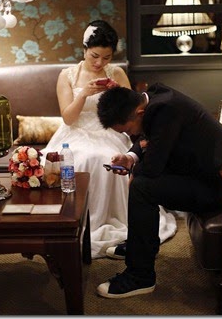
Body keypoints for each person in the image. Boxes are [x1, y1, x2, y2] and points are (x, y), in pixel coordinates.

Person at [95, 83, 222, 298]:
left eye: (128, 130)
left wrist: (133, 171)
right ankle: (142, 246)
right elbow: (148, 140)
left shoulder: (165, 110)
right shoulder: (153, 98)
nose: (132, 135)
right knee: (141, 182)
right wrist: (130, 157)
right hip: (202, 174)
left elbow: (152, 168)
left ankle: (140, 277)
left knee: (141, 187)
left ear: (139, 112)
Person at [41, 20, 177, 259]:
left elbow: (133, 111)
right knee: (80, 159)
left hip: (109, 131)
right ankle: (75, 223)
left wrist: (117, 93)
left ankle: (118, 219)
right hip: (75, 133)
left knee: (107, 159)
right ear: (84, 49)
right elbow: (69, 118)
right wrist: (84, 93)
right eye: (94, 56)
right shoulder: (67, 76)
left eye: (106, 57)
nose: (99, 63)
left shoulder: (116, 72)